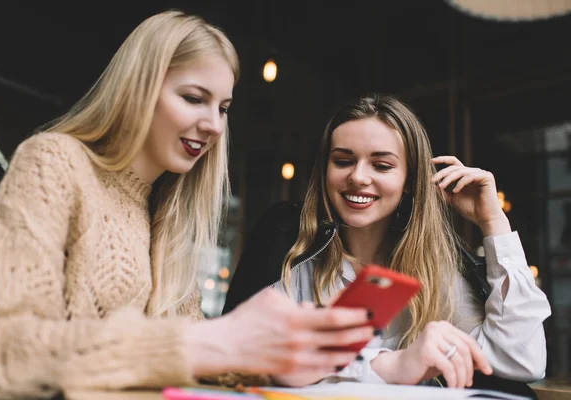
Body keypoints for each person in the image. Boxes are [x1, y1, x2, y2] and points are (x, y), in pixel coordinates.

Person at [0, 11, 375, 399]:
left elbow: (192, 358)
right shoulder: (55, 163)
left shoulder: (170, 213)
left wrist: (273, 361)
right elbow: (2, 345)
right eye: (193, 98)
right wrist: (214, 339)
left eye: (223, 109)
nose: (215, 126)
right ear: (138, 87)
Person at [223, 94, 551, 394]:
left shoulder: (435, 269)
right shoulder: (294, 251)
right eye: (342, 161)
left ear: (409, 180)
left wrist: (494, 224)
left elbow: (520, 359)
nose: (358, 177)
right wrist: (388, 366)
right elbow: (243, 355)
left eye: (381, 165)